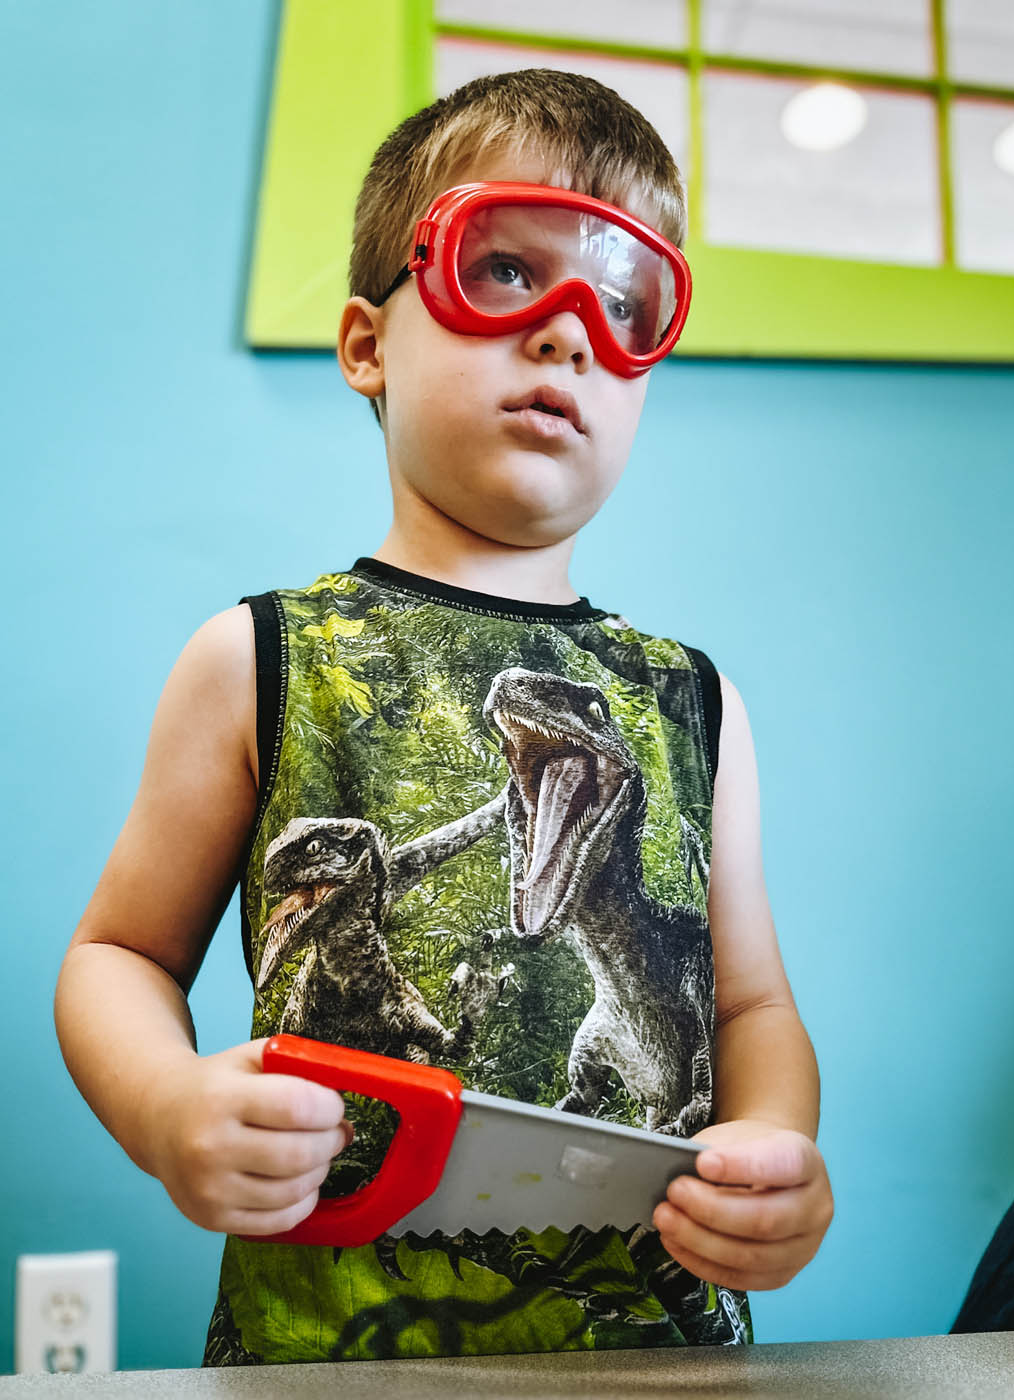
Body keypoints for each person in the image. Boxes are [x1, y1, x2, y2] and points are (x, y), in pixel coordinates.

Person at [54, 68, 833, 1365]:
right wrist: (168, 1109)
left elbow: (752, 1011)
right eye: (508, 272)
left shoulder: (697, 702)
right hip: (324, 1361)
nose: (572, 331)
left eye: (628, 304)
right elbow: (116, 958)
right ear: (367, 341)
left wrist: (777, 1154)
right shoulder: (258, 658)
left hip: (664, 1359)